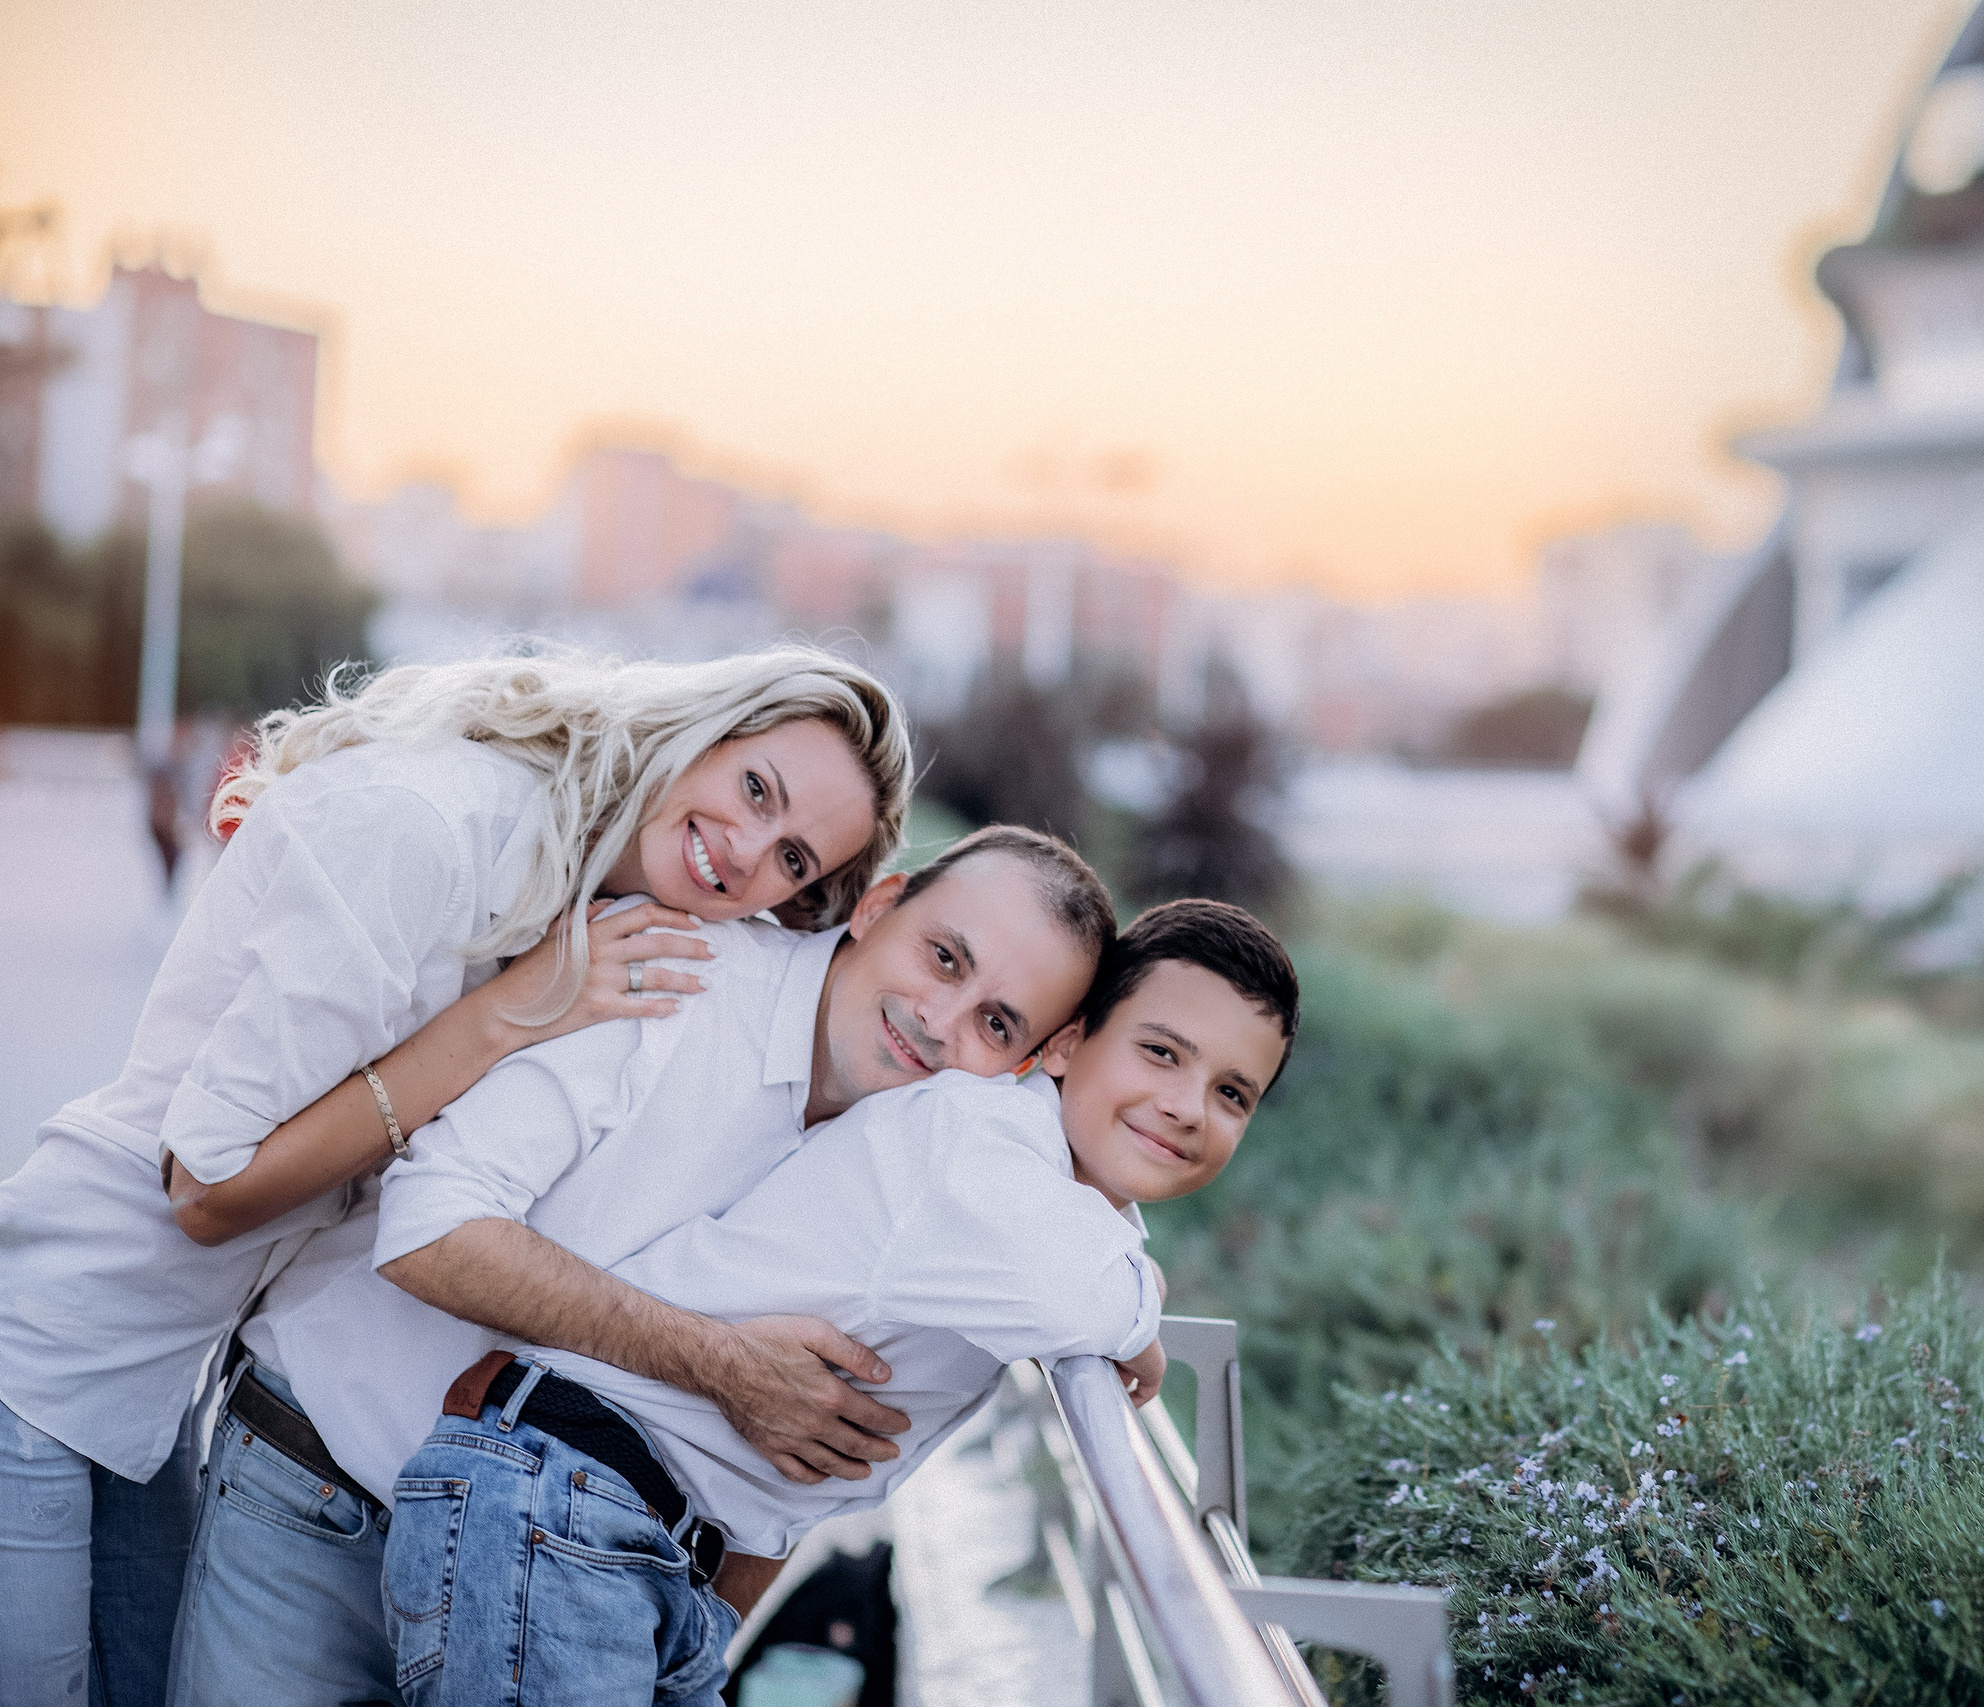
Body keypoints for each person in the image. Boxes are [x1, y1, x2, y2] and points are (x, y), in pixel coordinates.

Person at [0, 645, 910, 1707]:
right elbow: (205, 1190)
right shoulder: (434, 829)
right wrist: (507, 1016)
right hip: (47, 1349)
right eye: (755, 789)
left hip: (151, 1394)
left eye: (795, 861)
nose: (749, 852)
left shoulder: (586, 886)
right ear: (700, 731)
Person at [161, 827, 1115, 1706]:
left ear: (1034, 1061)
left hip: (568, 1590)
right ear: (880, 905)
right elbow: (430, 1227)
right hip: (325, 1489)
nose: (941, 1019)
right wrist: (718, 1362)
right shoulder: (679, 976)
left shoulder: (939, 1173)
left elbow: (788, 1470)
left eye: (997, 1024)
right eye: (943, 957)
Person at [383, 899, 1297, 1704]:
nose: (1187, 1106)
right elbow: (1084, 1295)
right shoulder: (975, 1145)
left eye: (1231, 1092)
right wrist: (1145, 1309)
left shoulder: (1035, 1185)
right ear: (1065, 1042)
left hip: (625, 1530)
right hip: (568, 1505)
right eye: (1161, 1052)